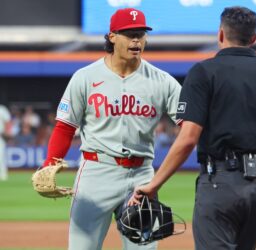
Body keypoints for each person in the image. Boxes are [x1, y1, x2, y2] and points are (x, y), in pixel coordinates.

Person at [130, 6, 256, 250]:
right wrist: (253, 130)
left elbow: (188, 138)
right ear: (253, 38)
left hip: (221, 182)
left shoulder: (203, 72)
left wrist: (154, 184)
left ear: (221, 34)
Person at [41, 8, 181, 250]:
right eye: (129, 34)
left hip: (142, 177)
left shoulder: (163, 81)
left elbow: (190, 127)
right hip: (96, 172)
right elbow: (65, 127)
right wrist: (50, 163)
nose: (136, 40)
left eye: (141, 34)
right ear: (112, 36)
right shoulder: (85, 77)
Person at [0, 103, 11, 181]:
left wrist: (7, 132)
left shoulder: (2, 109)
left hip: (0, 135)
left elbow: (8, 121)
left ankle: (3, 175)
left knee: (1, 156)